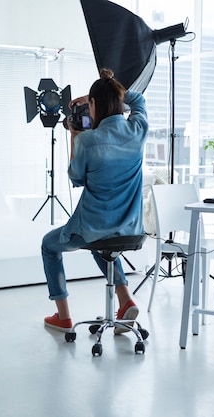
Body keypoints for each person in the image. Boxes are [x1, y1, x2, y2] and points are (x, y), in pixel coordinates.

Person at [42, 68, 149, 332]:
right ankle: (125, 302)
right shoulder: (138, 130)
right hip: (131, 229)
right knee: (106, 245)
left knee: (49, 246)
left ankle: (63, 316)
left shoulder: (89, 140)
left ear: (94, 104)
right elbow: (138, 101)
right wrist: (100, 94)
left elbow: (76, 178)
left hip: (93, 228)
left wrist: (74, 136)